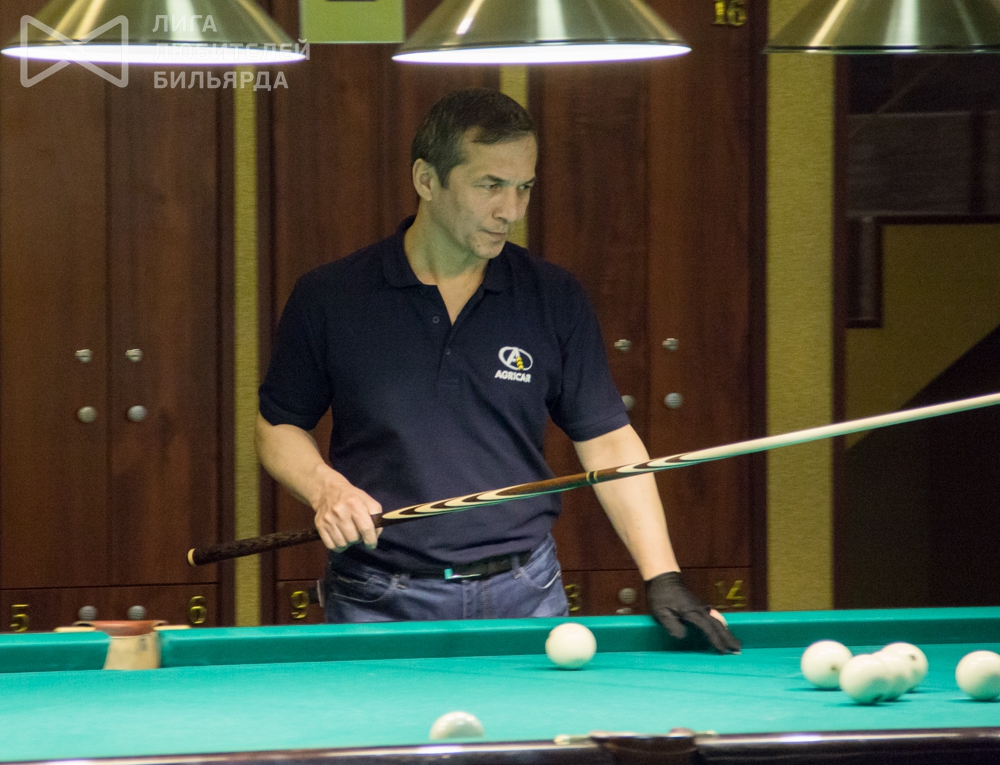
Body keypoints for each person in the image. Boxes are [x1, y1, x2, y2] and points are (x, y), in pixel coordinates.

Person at [256, 88, 740, 653]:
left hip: (525, 592)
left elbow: (607, 442)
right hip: (377, 597)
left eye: (524, 187)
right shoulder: (330, 297)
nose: (511, 210)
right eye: (490, 185)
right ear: (427, 180)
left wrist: (663, 575)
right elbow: (277, 426)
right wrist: (326, 488)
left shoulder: (553, 297)